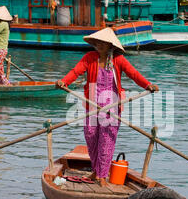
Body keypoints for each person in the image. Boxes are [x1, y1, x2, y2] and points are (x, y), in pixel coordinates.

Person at [56, 27, 159, 187]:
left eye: (103, 43)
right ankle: (96, 171)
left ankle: (102, 175)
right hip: (92, 103)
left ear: (110, 45)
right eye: (98, 43)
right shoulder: (90, 57)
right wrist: (64, 81)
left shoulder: (118, 59)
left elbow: (133, 73)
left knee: (106, 140)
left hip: (112, 104)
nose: (100, 45)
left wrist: (148, 85)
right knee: (90, 135)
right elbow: (76, 71)